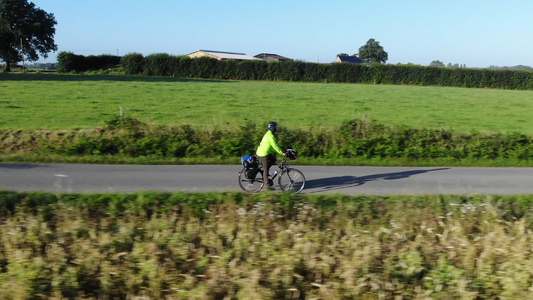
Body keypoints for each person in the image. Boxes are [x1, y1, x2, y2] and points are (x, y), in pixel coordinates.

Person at [256, 121, 286, 190]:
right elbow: (275, 146)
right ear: (272, 128)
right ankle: (266, 185)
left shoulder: (269, 134)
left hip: (265, 152)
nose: (276, 128)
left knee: (273, 159)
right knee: (265, 169)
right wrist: (282, 153)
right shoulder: (270, 136)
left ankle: (265, 173)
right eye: (275, 127)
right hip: (263, 154)